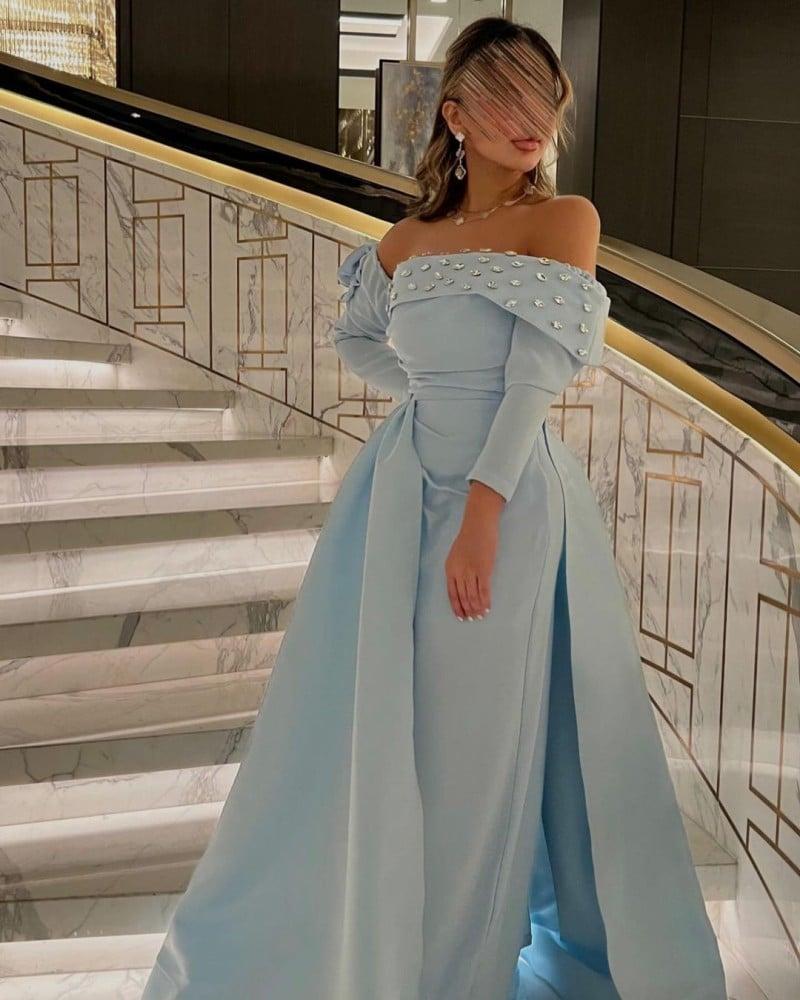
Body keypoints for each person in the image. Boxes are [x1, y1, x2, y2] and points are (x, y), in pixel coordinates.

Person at [142, 16, 728, 1000]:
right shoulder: (407, 241)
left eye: (545, 99)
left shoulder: (563, 219)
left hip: (507, 501)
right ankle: (377, 950)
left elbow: (535, 378)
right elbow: (358, 338)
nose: (531, 120)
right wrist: (425, 403)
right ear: (455, 114)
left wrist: (483, 510)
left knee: (473, 751)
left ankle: (459, 974)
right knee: (390, 736)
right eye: (507, 97)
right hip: (400, 499)